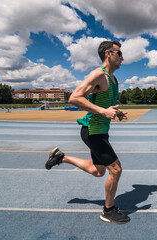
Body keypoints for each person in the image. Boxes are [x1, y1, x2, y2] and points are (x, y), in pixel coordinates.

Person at [45, 40, 130, 224]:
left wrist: (114, 112)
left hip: (100, 131)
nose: (122, 57)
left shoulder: (113, 79)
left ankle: (61, 157)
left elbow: (104, 105)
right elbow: (74, 98)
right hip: (92, 131)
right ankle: (108, 210)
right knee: (116, 170)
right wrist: (102, 111)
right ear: (108, 53)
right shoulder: (99, 74)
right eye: (119, 53)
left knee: (98, 171)